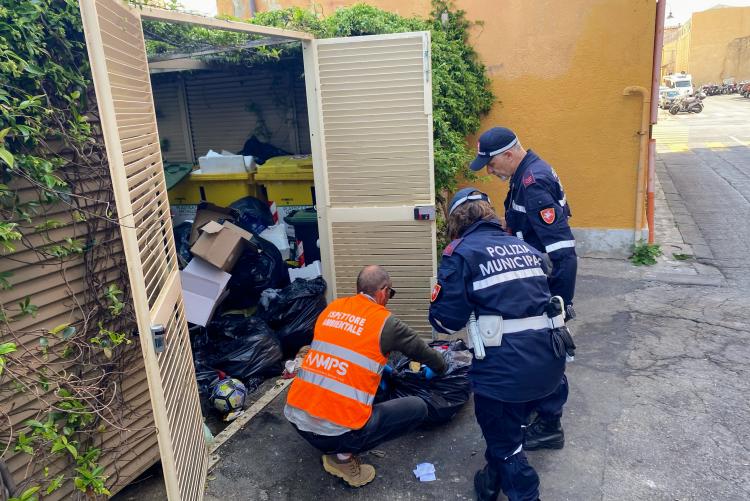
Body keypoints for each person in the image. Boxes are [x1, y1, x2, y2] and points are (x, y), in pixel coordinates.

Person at [429, 188, 567, 501]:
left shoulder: (460, 253)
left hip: (506, 372)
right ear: (489, 214)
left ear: (455, 220)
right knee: (509, 428)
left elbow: (444, 323)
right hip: (550, 362)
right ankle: (489, 483)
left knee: (506, 445)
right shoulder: (524, 246)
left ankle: (525, 494)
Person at [284, 265, 447, 488]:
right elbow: (424, 353)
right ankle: (342, 458)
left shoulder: (332, 308)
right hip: (333, 433)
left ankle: (336, 444)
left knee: (376, 381)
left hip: (296, 417)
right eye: (390, 293)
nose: (389, 298)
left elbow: (342, 352)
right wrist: (441, 368)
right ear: (383, 290)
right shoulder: (386, 323)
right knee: (418, 408)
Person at [469, 127, 577, 451]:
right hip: (531, 279)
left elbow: (564, 252)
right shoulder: (523, 175)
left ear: (509, 154)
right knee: (535, 350)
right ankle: (538, 412)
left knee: (544, 350)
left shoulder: (534, 183)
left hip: (541, 288)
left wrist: (559, 305)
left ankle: (549, 425)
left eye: (491, 164)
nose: (489, 170)